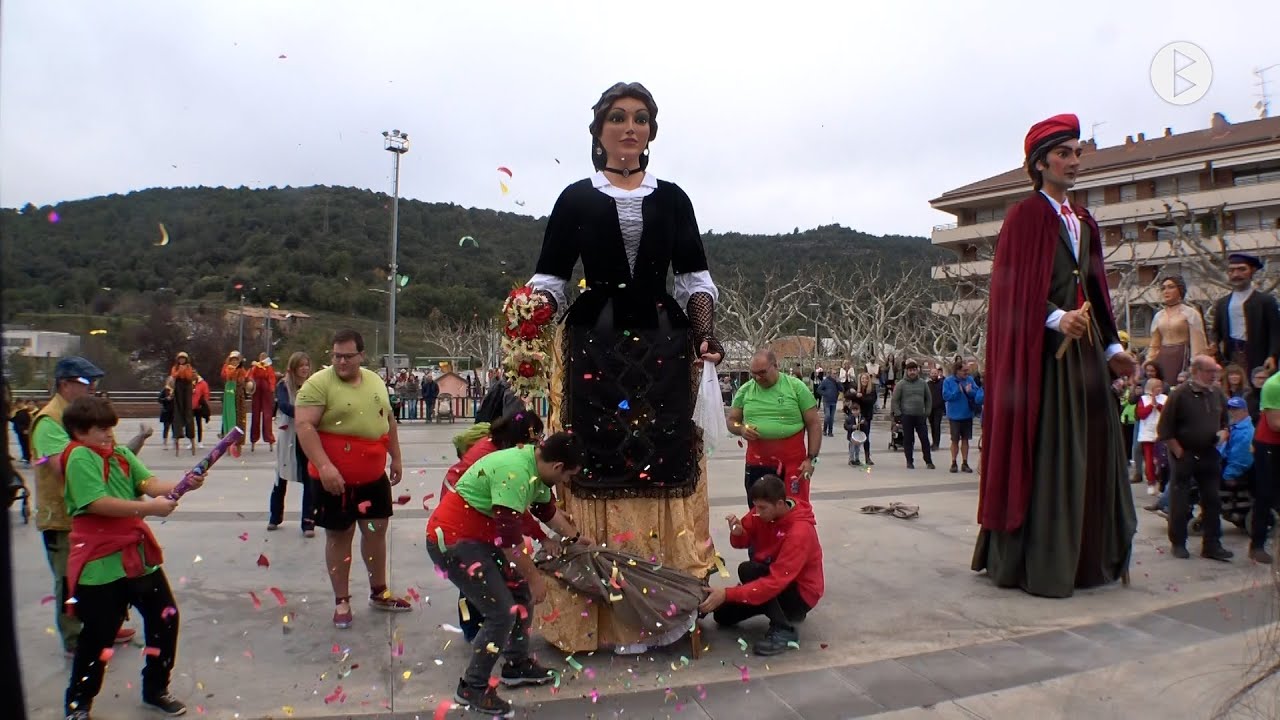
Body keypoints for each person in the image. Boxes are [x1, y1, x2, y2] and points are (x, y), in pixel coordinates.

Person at [526, 82, 724, 653]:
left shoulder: (674, 198)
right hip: (593, 342)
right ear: (599, 131)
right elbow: (552, 280)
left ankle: (666, 607)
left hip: (664, 343)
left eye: (639, 118)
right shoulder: (574, 198)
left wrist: (705, 334)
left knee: (665, 458)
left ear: (650, 131)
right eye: (617, 118)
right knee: (592, 459)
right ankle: (600, 614)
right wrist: (527, 317)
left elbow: (694, 280)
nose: (629, 127)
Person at [972, 113, 1138, 598]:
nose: (1074, 161)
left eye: (1077, 153)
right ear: (1040, 163)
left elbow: (1098, 290)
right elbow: (1010, 293)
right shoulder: (1024, 217)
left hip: (1087, 357)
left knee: (1096, 453)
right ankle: (1043, 564)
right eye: (1064, 154)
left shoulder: (1084, 220)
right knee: (1053, 456)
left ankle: (1089, 558)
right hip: (1043, 362)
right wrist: (1056, 318)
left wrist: (1112, 348)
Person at [427, 433, 588, 716]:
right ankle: (473, 687)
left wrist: (576, 539)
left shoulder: (536, 467)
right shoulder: (514, 472)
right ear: (558, 466)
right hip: (453, 542)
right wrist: (536, 579)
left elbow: (546, 511)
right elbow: (510, 542)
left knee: (519, 593)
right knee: (501, 612)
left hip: (480, 540)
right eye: (567, 476)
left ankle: (517, 664)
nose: (565, 482)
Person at [60, 395, 200, 719]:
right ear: (79, 432)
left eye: (110, 428)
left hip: (136, 556)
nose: (109, 435)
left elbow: (149, 483)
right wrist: (149, 509)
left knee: (165, 619)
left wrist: (185, 484)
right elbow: (97, 502)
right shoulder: (79, 456)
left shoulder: (120, 455)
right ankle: (79, 702)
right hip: (99, 562)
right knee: (98, 635)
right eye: (101, 429)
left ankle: (156, 688)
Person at [295, 329, 411, 629]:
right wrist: (324, 466)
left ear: (362, 355)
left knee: (376, 530)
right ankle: (342, 600)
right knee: (339, 535)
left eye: (348, 356)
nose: (342, 362)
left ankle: (379, 591)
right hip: (334, 481)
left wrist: (396, 457)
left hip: (373, 478)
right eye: (337, 356)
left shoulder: (374, 380)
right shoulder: (318, 383)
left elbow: (388, 420)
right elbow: (304, 426)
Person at [32, 357, 137, 657]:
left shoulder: (88, 415)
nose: (92, 388)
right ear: (65, 384)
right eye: (86, 383)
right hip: (62, 517)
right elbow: (63, 467)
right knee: (70, 578)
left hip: (94, 514)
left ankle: (105, 625)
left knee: (104, 573)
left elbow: (110, 454)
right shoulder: (49, 421)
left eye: (94, 383)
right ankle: (74, 636)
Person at [439, 410, 550, 642]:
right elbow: (511, 513)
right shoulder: (503, 459)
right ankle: (475, 630)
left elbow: (519, 506)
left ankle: (495, 631)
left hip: (477, 511)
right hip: (462, 515)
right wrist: (540, 536)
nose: (538, 447)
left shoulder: (503, 449)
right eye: (536, 440)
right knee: (474, 574)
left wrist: (543, 529)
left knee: (491, 573)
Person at [700, 474, 824, 656]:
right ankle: (776, 610)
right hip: (773, 579)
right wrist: (738, 532)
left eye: (762, 508)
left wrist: (727, 593)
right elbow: (742, 540)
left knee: (749, 571)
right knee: (723, 616)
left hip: (799, 595)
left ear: (780, 504)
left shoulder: (800, 532)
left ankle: (785, 630)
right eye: (755, 506)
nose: (757, 512)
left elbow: (775, 582)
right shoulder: (762, 513)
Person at [1157, 355, 1233, 562]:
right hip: (1186, 454)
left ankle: (1212, 545)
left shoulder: (1217, 393)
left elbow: (1225, 422)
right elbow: (1164, 429)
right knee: (1180, 501)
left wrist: (1223, 433)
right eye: (1210, 371)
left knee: (1212, 500)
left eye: (1215, 371)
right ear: (1197, 371)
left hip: (1209, 453)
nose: (1214, 376)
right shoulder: (1179, 394)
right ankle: (1178, 543)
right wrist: (1179, 452)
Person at [730, 349, 822, 502]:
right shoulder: (745, 390)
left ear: (776, 366)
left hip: (793, 463)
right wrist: (740, 429)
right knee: (760, 509)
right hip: (757, 463)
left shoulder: (796, 387)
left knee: (795, 508)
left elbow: (814, 424)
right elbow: (732, 420)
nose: (758, 378)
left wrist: (811, 459)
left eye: (762, 372)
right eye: (754, 373)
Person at [1209, 252, 1280, 375]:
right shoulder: (1222, 303)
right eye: (1232, 270)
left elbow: (1275, 332)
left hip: (1259, 356)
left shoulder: (1266, 301)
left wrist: (1272, 355)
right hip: (1232, 355)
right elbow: (1216, 331)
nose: (1236, 274)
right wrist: (1213, 344)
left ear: (1252, 271)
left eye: (1242, 269)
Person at [269, 352, 315, 537]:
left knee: (310, 478)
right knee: (281, 476)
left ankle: (308, 522)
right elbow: (284, 405)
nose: (304, 368)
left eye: (306, 365)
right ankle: (275, 516)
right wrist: (305, 414)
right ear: (294, 367)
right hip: (288, 436)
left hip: (307, 436)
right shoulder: (284, 385)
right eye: (301, 365)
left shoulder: (313, 385)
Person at [1146, 275, 1209, 384]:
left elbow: (1198, 343)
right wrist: (1149, 361)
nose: (1166, 291)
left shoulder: (1191, 313)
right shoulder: (1159, 315)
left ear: (1180, 290)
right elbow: (1154, 344)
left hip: (1182, 355)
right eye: (1163, 288)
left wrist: (1195, 365)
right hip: (1163, 356)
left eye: (1171, 287)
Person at [1251, 368, 1280, 564]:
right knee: (1265, 495)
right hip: (1269, 445)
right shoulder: (1274, 385)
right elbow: (1275, 423)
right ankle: (1257, 546)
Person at [890, 359, 933, 469]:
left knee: (924, 439)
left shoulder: (923, 383)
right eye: (910, 370)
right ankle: (909, 461)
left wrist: (927, 412)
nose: (912, 372)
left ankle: (928, 461)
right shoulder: (901, 384)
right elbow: (895, 400)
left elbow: (928, 399)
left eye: (914, 370)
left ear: (917, 370)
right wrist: (898, 414)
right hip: (906, 416)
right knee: (908, 440)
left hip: (920, 416)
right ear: (906, 371)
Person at [941, 361, 983, 473]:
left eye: (967, 370)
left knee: (965, 439)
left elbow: (977, 394)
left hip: (967, 414)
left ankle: (965, 462)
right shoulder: (948, 381)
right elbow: (946, 396)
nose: (966, 373)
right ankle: (953, 462)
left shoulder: (970, 380)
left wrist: (970, 391)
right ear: (957, 371)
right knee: (955, 440)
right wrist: (957, 392)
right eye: (964, 370)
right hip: (954, 415)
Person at [1134, 378, 1167, 495]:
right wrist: (1151, 405)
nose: (1159, 389)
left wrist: (1157, 405)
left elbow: (1167, 413)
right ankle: (1151, 482)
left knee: (1162, 460)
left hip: (1161, 433)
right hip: (1147, 434)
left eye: (1160, 386)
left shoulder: (1165, 398)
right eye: (1157, 387)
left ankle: (1161, 482)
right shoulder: (1143, 399)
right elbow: (1141, 414)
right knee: (1149, 459)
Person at [167, 351, 196, 457]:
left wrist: (185, 370)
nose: (182, 360)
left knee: (188, 414)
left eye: (183, 359)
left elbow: (189, 377)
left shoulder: (189, 367)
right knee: (177, 414)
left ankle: (191, 439)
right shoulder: (175, 367)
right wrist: (180, 370)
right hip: (179, 388)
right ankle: (177, 437)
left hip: (186, 388)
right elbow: (174, 376)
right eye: (180, 359)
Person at [220, 350, 249, 450]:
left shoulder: (241, 370)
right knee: (229, 416)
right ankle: (228, 440)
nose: (234, 362)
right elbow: (226, 376)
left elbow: (245, 379)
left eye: (236, 360)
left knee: (240, 418)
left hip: (239, 396)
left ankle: (238, 442)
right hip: (229, 395)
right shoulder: (227, 368)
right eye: (232, 360)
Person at [248, 353, 277, 452]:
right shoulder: (255, 367)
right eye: (261, 357)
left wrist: (272, 388)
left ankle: (269, 439)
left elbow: (272, 378)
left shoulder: (269, 367)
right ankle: (253, 439)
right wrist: (250, 384)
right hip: (257, 390)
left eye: (264, 357)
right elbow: (250, 376)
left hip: (266, 390)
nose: (263, 359)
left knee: (267, 416)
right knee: (255, 416)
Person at [847, 372, 877, 466]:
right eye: (863, 378)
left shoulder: (872, 389)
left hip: (866, 416)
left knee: (866, 437)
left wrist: (861, 397)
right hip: (855, 416)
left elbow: (871, 401)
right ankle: (852, 458)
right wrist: (856, 394)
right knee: (853, 438)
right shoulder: (855, 387)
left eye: (866, 378)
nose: (864, 380)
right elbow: (847, 395)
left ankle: (867, 457)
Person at [816, 371, 842, 437]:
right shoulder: (825, 381)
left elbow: (842, 389)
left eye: (836, 373)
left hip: (834, 401)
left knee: (832, 418)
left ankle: (830, 431)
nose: (835, 375)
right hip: (826, 401)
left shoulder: (837, 382)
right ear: (830, 374)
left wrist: (838, 382)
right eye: (834, 373)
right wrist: (825, 394)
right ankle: (824, 430)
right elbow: (819, 390)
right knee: (827, 416)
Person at [927, 367, 945, 451]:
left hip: (939, 408)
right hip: (930, 408)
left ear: (938, 374)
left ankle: (936, 443)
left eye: (935, 373)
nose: (934, 375)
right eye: (932, 373)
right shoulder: (927, 384)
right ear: (930, 374)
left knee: (937, 425)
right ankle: (934, 442)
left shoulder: (942, 383)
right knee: (932, 425)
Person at [10, 399, 34, 465]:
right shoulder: (19, 412)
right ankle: (25, 456)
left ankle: (27, 457)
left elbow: (25, 422)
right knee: (23, 444)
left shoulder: (24, 412)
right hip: (21, 431)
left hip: (24, 431)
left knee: (26, 445)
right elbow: (13, 420)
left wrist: (25, 429)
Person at [191, 371, 211, 448]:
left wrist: (204, 404)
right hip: (190, 407)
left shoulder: (203, 383)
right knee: (190, 425)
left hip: (199, 407)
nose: (193, 376)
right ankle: (191, 441)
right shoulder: (189, 383)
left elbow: (206, 394)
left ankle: (200, 441)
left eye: (194, 374)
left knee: (199, 424)